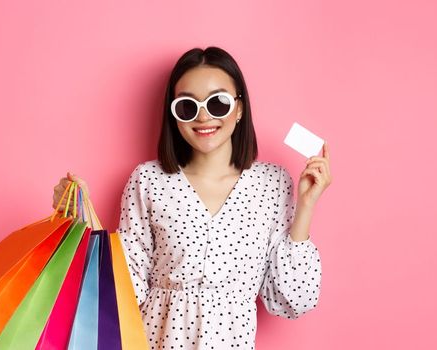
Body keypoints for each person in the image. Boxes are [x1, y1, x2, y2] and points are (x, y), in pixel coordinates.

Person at [52, 46, 332, 349]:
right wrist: (79, 220)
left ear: (239, 108)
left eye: (218, 103)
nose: (203, 116)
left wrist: (306, 206)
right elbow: (124, 289)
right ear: (174, 115)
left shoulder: (272, 183)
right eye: (187, 106)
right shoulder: (148, 180)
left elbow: (293, 300)